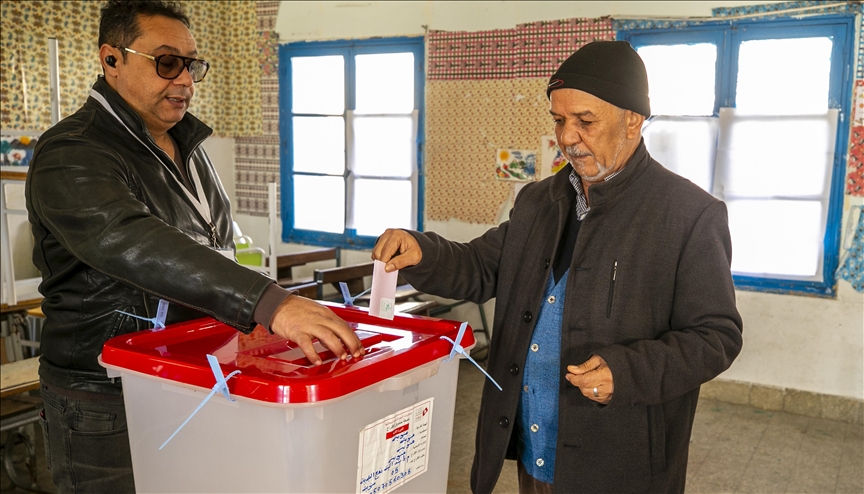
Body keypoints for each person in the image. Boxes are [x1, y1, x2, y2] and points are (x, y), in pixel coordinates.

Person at [373, 40, 743, 493]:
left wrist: (628, 372)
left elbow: (716, 336)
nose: (567, 137)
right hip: (536, 449)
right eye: (560, 120)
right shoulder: (539, 201)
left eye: (585, 122)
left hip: (619, 466)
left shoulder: (689, 215)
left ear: (633, 120)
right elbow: (481, 266)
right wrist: (424, 252)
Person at [25, 1, 362, 492]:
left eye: (191, 64)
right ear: (111, 59)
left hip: (187, 374)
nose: (184, 80)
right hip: (106, 391)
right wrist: (268, 302)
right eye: (166, 62)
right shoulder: (72, 151)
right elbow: (129, 238)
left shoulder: (187, 147)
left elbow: (215, 244)